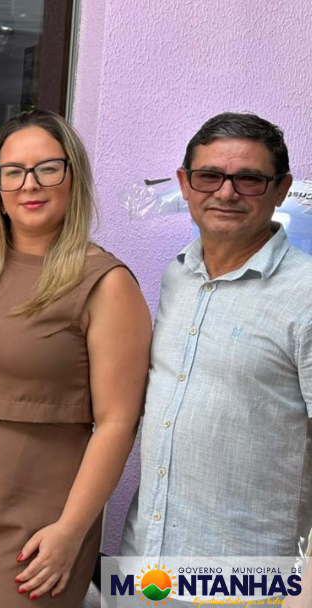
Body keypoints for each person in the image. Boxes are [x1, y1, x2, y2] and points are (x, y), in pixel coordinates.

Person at [0, 109, 151, 607]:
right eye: (14, 171)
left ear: (73, 177)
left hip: (42, 507)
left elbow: (117, 423)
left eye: (47, 168)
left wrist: (72, 529)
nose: (30, 184)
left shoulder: (107, 284)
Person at [122, 112, 311, 561]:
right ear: (185, 184)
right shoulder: (177, 276)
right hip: (146, 560)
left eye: (249, 179)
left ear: (282, 189)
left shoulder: (305, 294)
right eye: (209, 176)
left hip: (251, 575)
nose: (226, 193)